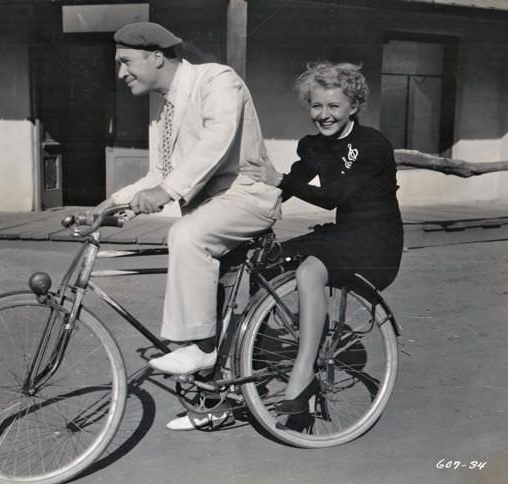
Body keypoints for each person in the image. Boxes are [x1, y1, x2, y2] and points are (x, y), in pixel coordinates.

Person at [94, 22, 281, 428]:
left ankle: (199, 348)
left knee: (186, 236)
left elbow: (217, 140)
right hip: (213, 207)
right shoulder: (166, 110)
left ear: (156, 56)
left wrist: (167, 191)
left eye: (126, 62)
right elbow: (160, 172)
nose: (121, 72)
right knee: (214, 303)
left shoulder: (216, 79)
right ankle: (213, 407)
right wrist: (112, 203)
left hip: (247, 196)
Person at [241, 61, 403, 424]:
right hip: (342, 236)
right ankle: (260, 364)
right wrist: (249, 207)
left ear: (353, 107)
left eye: (333, 106)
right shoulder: (312, 145)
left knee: (311, 270)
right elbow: (292, 185)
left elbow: (333, 196)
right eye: (316, 106)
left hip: (376, 242)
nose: (324, 115)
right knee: (266, 262)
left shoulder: (371, 143)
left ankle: (302, 376)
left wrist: (280, 178)